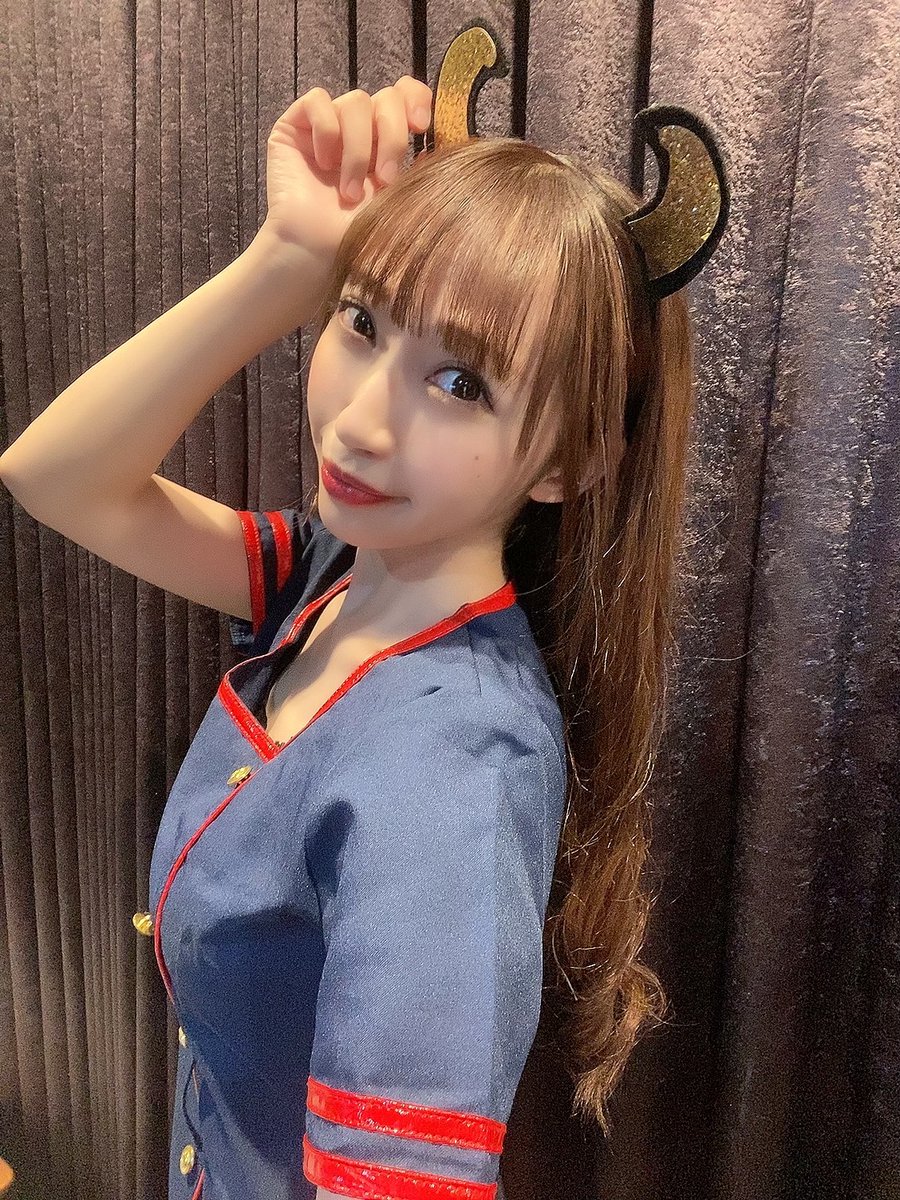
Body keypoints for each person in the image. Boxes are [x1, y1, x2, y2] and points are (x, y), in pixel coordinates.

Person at [0, 60, 717, 1200]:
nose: (362, 422)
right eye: (364, 321)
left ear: (571, 460)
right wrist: (287, 262)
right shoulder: (331, 576)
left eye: (462, 384)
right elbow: (56, 477)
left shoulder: (452, 766)